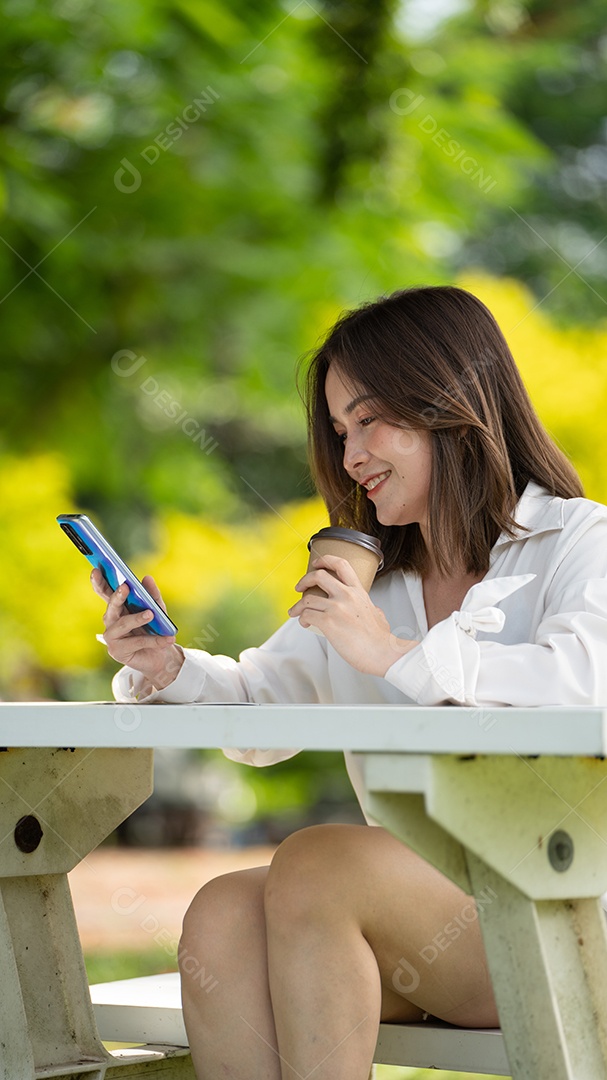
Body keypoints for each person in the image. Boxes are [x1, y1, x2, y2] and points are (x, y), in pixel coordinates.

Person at [92, 284, 607, 1080]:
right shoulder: (376, 579)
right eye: (338, 431)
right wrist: (166, 667)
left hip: (560, 919)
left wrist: (397, 655)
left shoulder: (579, 541)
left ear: (452, 401)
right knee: (224, 912)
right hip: (413, 930)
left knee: (321, 860)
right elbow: (260, 713)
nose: (349, 455)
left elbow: (580, 687)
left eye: (369, 420)